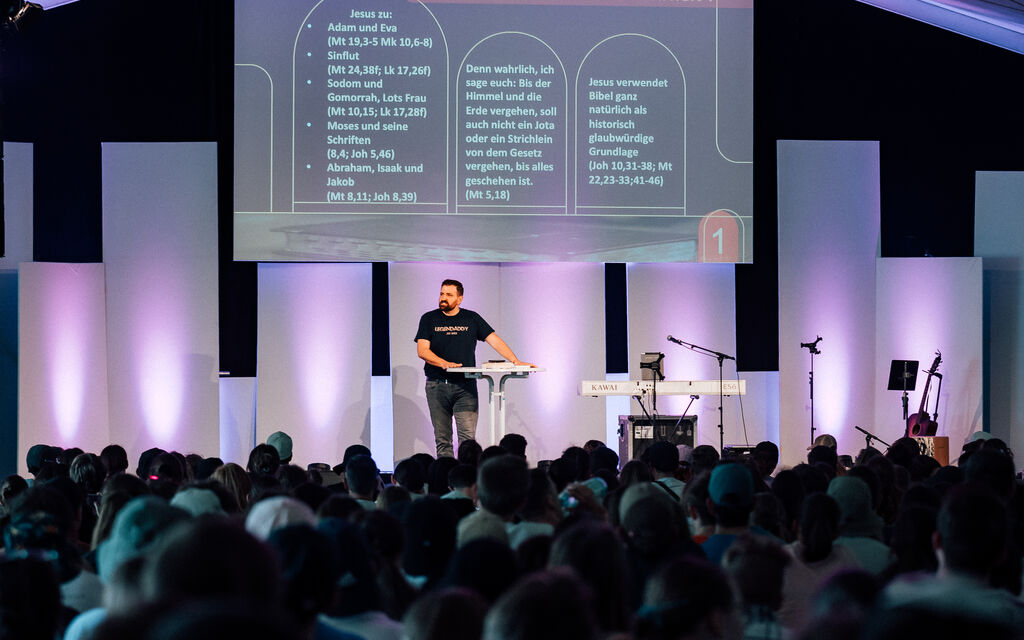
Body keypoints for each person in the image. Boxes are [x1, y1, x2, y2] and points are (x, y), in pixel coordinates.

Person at [415, 279, 533, 458]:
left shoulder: (471, 318)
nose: (443, 298)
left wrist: (515, 361)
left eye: (449, 295)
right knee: (442, 439)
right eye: (441, 294)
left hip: (465, 387)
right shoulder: (429, 318)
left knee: (468, 442)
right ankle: (447, 483)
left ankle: (468, 482)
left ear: (460, 299)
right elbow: (423, 350)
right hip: (437, 385)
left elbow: (494, 340)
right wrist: (442, 362)